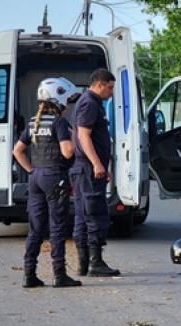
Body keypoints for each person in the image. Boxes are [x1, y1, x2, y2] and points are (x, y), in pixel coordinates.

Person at [11, 78, 82, 288]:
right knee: (57, 227)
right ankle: (59, 275)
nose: (68, 105)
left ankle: (29, 274)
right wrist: (75, 137)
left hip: (36, 179)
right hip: (54, 177)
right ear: (57, 98)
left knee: (35, 228)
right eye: (67, 100)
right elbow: (67, 151)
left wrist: (31, 170)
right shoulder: (59, 122)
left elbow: (17, 151)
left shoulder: (33, 122)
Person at [70, 68, 120, 277]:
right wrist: (97, 164)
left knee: (83, 215)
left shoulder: (88, 102)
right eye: (109, 88)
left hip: (85, 169)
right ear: (99, 84)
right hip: (88, 169)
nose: (111, 92)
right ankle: (95, 263)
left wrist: (100, 165)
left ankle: (84, 265)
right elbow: (84, 136)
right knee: (95, 215)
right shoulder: (90, 103)